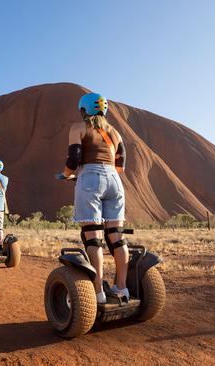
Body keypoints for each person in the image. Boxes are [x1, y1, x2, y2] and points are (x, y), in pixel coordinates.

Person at [56, 92, 128, 304]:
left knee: (93, 237)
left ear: (83, 110)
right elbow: (120, 166)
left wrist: (66, 175)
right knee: (116, 236)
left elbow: (74, 158)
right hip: (115, 181)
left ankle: (98, 292)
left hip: (90, 178)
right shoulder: (115, 133)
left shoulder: (78, 128)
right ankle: (122, 288)